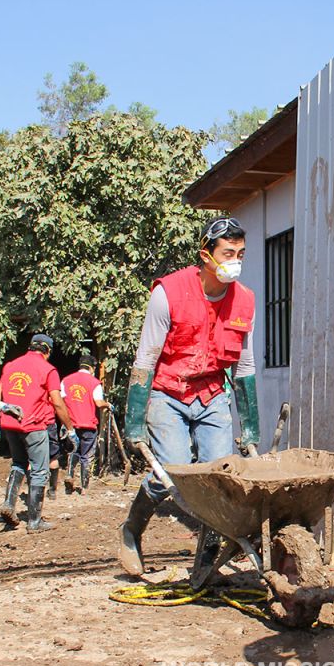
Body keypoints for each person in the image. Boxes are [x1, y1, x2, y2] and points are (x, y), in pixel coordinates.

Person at [118, 216, 261, 576]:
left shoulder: (244, 301)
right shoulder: (168, 293)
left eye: (241, 253)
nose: (236, 261)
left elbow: (244, 366)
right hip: (168, 393)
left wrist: (251, 427)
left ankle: (206, 561)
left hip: (212, 395)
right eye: (228, 253)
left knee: (218, 479)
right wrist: (134, 420)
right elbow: (146, 358)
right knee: (172, 472)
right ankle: (132, 532)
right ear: (205, 255)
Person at [0, 334, 77, 532]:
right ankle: (34, 520)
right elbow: (57, 401)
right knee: (39, 470)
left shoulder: (11, 365)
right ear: (47, 351)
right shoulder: (48, 369)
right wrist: (70, 429)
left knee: (18, 463)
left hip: (10, 425)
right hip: (34, 426)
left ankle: (8, 504)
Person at [62, 354, 110, 494]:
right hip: (88, 424)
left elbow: (60, 401)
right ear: (91, 367)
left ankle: (70, 474)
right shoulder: (94, 383)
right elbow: (99, 403)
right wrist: (108, 405)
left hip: (71, 424)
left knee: (73, 451)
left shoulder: (66, 380)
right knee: (86, 456)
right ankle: (84, 487)